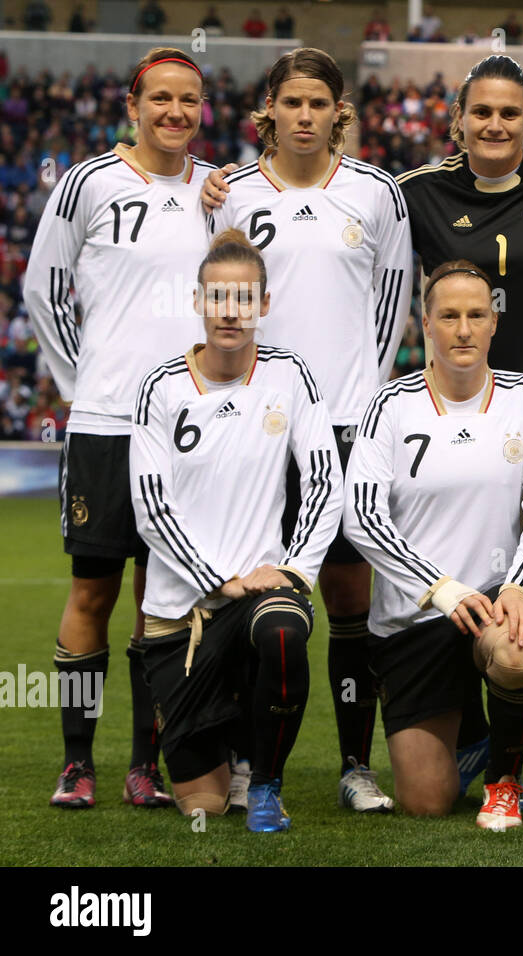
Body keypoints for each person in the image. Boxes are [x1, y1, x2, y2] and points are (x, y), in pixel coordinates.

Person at [203, 47, 413, 813]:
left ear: (338, 112)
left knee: (350, 598)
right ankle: (241, 761)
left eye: (317, 104)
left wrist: (359, 393)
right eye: (290, 103)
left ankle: (356, 763)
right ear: (270, 109)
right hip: (258, 422)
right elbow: (218, 303)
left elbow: (391, 302)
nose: (303, 116)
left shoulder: (377, 193)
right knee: (251, 594)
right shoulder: (227, 195)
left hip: (349, 421)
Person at [397, 55, 523, 802]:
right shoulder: (416, 193)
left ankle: (507, 767)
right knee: (455, 572)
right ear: (458, 118)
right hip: (448, 422)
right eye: (482, 111)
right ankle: (467, 724)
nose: (496, 125)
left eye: (511, 113)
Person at [24, 47, 217, 810]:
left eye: (189, 100)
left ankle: (147, 763)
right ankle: (78, 763)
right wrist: (84, 385)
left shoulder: (217, 190)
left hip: (185, 428)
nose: (175, 112)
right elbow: (44, 287)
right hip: (105, 425)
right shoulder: (87, 182)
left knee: (161, 602)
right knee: (92, 592)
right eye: (161, 98)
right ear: (133, 104)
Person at [130, 229, 341, 832]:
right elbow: (151, 506)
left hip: (260, 599)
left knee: (281, 630)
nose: (231, 311)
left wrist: (295, 570)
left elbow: (326, 482)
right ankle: (226, 748)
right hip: (185, 614)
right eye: (218, 297)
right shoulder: (161, 387)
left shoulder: (290, 376)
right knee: (205, 805)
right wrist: (220, 579)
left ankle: (267, 781)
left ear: (264, 306)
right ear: (197, 302)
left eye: (244, 298)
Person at [343, 260, 523, 829]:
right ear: (426, 322)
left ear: (494, 322)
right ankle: (470, 742)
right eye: (449, 316)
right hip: (414, 623)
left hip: (494, 604)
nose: (463, 329)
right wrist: (439, 590)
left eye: (475, 315)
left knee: (515, 652)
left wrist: (520, 587)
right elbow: (361, 516)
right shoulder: (387, 404)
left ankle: (504, 780)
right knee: (427, 802)